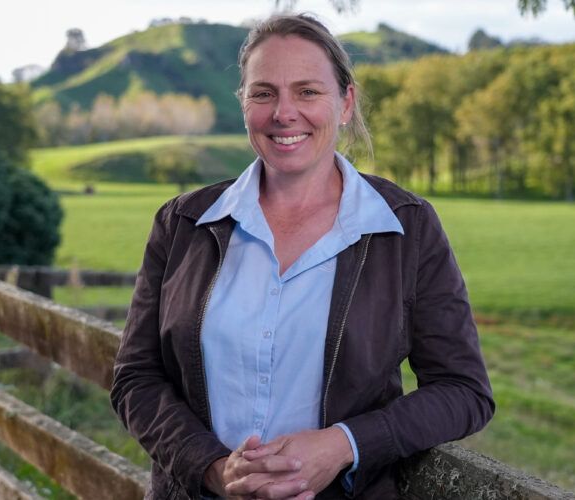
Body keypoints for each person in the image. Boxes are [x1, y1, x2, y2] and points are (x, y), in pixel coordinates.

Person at [110, 13, 494, 500]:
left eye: (308, 92)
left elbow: (464, 391)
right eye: (263, 93)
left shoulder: (406, 228)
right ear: (244, 104)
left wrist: (343, 445)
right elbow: (135, 378)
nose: (283, 113)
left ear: (345, 102)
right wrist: (210, 468)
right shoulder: (183, 223)